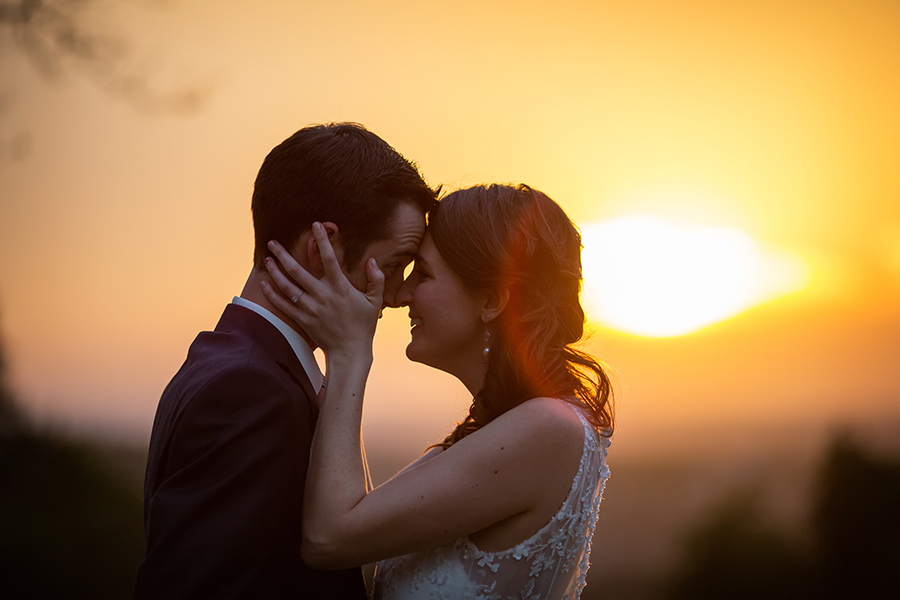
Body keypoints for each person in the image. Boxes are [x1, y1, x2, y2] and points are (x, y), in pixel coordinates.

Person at [262, 183, 614, 599]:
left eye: (423, 274)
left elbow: (329, 537)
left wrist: (349, 356)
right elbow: (359, 514)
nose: (401, 294)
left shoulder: (549, 428)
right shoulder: (501, 429)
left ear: (492, 301)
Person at [134, 122, 438, 599]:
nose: (399, 294)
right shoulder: (248, 391)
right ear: (322, 248)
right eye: (395, 264)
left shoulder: (232, 361)